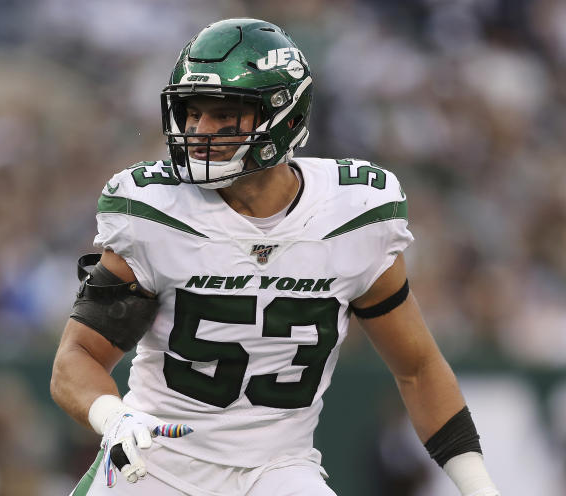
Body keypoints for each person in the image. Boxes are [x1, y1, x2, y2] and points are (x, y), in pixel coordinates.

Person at [50, 18, 501, 496]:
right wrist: (114, 417)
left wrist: (479, 486)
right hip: (158, 464)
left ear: (283, 116)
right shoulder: (157, 214)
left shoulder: (353, 217)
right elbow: (75, 358)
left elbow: (417, 367)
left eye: (224, 114)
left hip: (278, 471)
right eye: (192, 112)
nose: (200, 130)